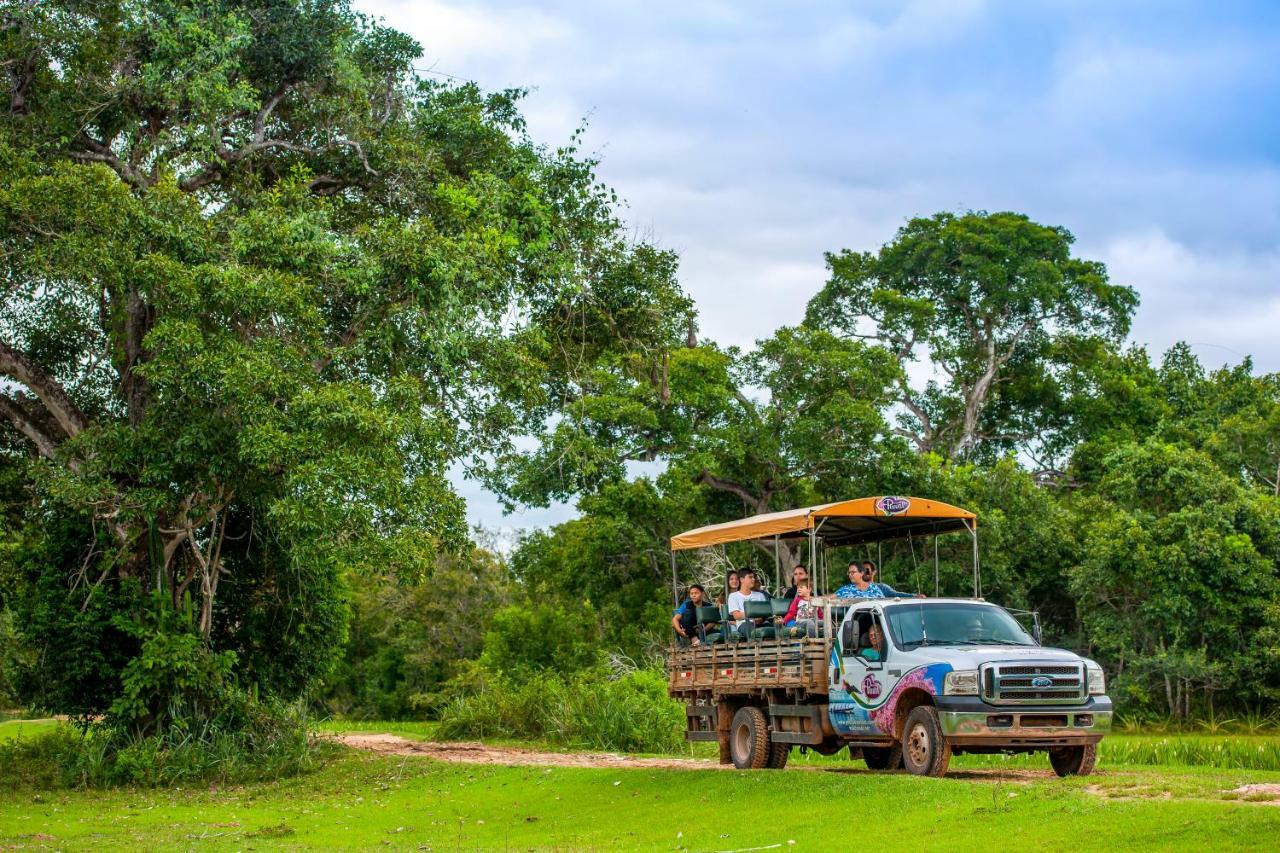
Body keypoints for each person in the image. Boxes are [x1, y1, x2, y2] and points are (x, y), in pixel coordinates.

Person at [727, 570, 768, 641]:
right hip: (744, 623)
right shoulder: (733, 596)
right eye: (750, 577)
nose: (753, 579)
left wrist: (760, 619)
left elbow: (765, 613)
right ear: (742, 579)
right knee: (753, 632)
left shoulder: (760, 595)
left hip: (761, 623)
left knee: (776, 628)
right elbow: (737, 615)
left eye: (753, 577)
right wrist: (753, 615)